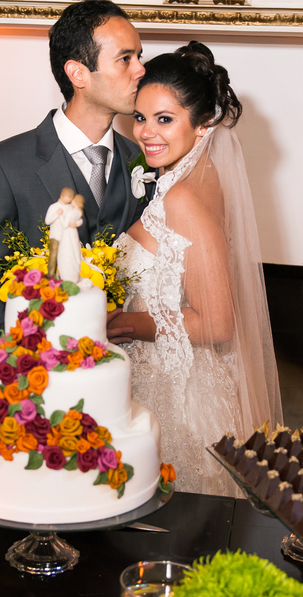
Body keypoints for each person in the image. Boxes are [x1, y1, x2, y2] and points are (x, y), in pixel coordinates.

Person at [107, 42, 284, 496]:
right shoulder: (192, 180)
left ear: (204, 124)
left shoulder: (183, 198)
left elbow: (218, 322)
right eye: (141, 116)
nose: (146, 132)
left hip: (179, 402)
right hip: (162, 383)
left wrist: (127, 322)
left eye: (165, 119)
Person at [0, 0, 147, 338]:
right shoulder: (0, 166)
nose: (140, 70)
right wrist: (52, 339)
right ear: (78, 74)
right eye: (125, 59)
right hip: (34, 370)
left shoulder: (144, 161)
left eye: (139, 57)